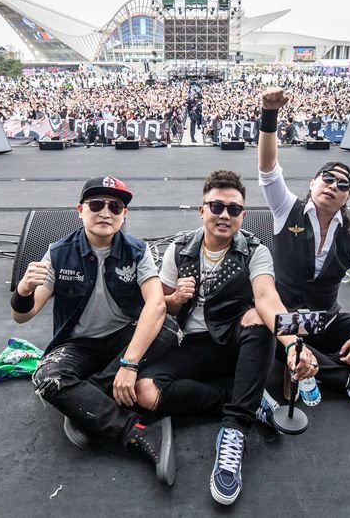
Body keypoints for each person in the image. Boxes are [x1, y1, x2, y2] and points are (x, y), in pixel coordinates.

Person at [133, 170, 317, 505]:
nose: (224, 215)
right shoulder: (178, 249)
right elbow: (161, 305)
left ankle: (234, 429)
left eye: (234, 209)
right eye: (216, 207)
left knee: (257, 317)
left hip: (236, 342)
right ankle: (247, 399)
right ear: (202, 210)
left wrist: (292, 343)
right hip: (191, 344)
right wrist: (176, 299)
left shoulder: (255, 251)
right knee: (145, 392)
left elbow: (268, 299)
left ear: (242, 216)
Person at [11, 175, 180, 485]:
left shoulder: (137, 251)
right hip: (78, 343)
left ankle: (86, 402)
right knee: (47, 376)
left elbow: (156, 305)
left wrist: (129, 364)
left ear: (124, 214)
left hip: (123, 338)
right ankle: (137, 431)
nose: (105, 212)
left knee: (169, 327)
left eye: (115, 207)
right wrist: (23, 290)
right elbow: (24, 315)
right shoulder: (58, 252)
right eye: (96, 204)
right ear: (80, 210)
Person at [257, 87, 350, 417]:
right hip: (286, 320)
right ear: (312, 183)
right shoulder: (286, 209)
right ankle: (347, 379)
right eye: (328, 178)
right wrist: (269, 113)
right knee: (262, 333)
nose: (333, 186)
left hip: (325, 319)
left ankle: (312, 363)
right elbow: (268, 169)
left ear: (347, 197)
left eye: (343, 185)